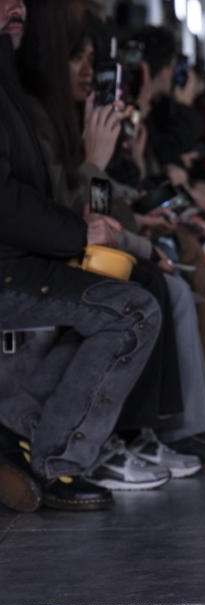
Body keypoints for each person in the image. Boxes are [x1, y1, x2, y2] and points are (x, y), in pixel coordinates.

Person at [0, 22, 161, 511]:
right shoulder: (37, 117)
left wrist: (122, 157)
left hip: (42, 249)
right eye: (78, 59)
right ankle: (60, 456)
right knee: (136, 300)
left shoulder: (50, 116)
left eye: (97, 61)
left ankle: (24, 428)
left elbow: (100, 205)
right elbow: (65, 204)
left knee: (143, 280)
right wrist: (96, 165)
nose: (91, 73)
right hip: (22, 259)